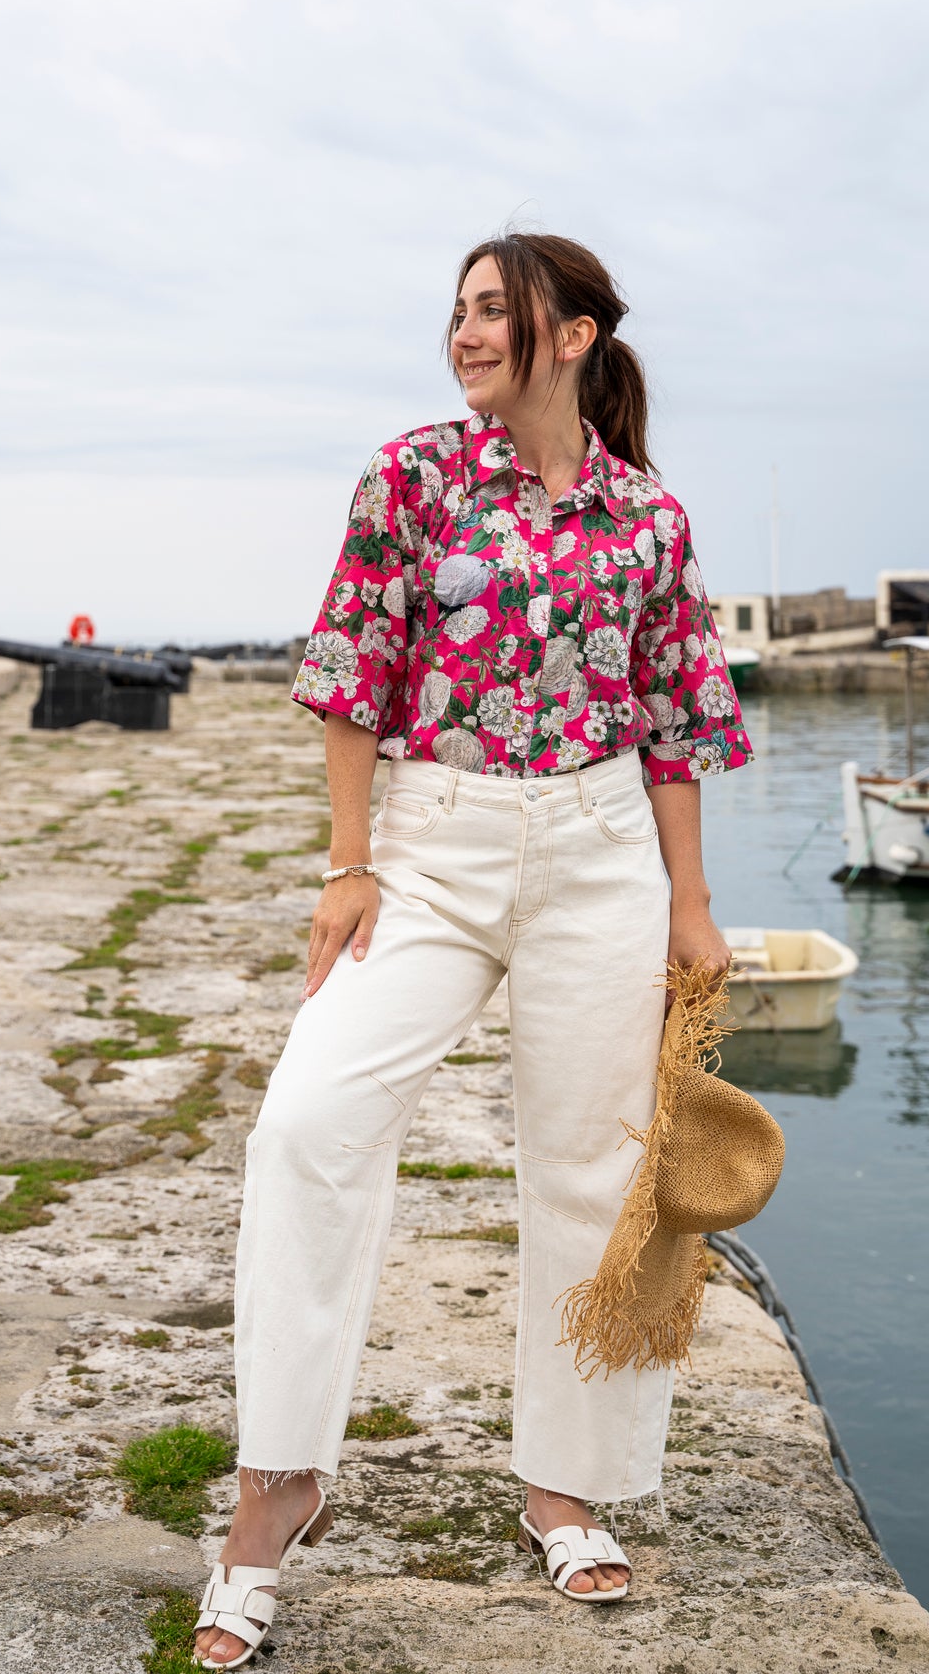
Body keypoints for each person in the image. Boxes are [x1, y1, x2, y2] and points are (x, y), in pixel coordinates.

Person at [192, 231, 751, 1668]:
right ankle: (276, 1489)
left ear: (571, 335)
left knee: (586, 1167)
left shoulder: (650, 520)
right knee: (306, 1125)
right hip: (432, 848)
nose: (466, 334)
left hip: (601, 851)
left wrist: (691, 907)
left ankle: (566, 1488)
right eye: (456, 314)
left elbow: (677, 724)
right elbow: (349, 671)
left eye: (494, 311)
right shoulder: (411, 476)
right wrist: (347, 860)